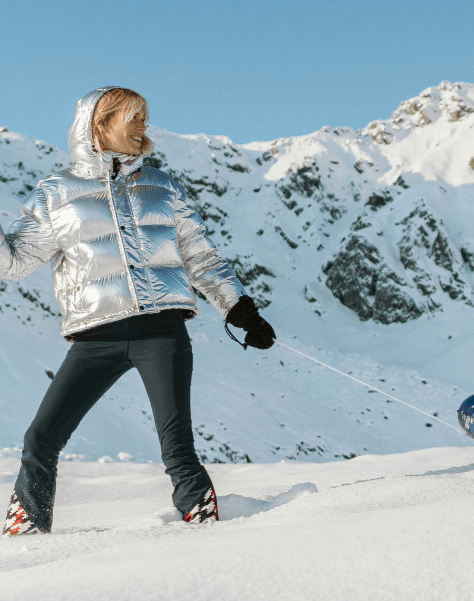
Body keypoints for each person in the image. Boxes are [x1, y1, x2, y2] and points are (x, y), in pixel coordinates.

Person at [1, 87, 276, 535]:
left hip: (160, 334)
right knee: (41, 439)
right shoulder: (56, 194)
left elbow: (201, 258)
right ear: (100, 124)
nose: (144, 127)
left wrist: (240, 309)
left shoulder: (161, 186)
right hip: (94, 339)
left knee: (177, 449)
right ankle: (27, 533)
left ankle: (206, 532)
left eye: (145, 118)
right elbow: (12, 263)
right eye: (134, 117)